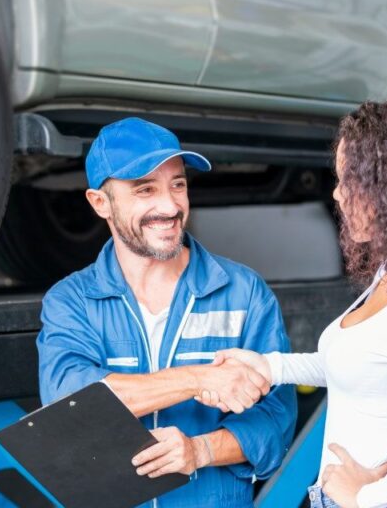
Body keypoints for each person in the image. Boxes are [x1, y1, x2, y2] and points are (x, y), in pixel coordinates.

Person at [200, 99, 387, 508]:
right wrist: (270, 366)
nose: (337, 194)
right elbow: (356, 366)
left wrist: (369, 497)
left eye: (350, 181)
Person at [37, 117, 297, 507]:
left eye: (178, 184)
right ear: (100, 203)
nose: (170, 205)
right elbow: (69, 406)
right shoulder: (72, 301)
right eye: (145, 189)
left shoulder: (242, 292)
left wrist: (201, 450)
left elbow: (276, 420)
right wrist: (197, 379)